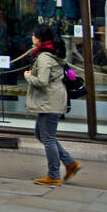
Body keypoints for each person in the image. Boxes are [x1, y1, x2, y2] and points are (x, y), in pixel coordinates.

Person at [24, 23, 81, 185]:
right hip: (50, 100)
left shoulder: (44, 57)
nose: (32, 37)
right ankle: (70, 163)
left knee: (47, 138)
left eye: (34, 35)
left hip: (50, 100)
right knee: (41, 134)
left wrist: (28, 76)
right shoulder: (51, 53)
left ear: (39, 38)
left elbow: (42, 81)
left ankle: (54, 175)